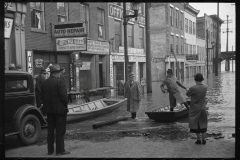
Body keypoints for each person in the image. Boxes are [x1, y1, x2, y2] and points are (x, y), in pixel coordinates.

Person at [41, 64, 70, 156]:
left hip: (49, 110)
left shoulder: (44, 83)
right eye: (60, 72)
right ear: (56, 73)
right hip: (60, 110)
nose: (61, 74)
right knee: (60, 131)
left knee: (50, 130)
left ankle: (50, 150)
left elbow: (42, 97)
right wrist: (65, 105)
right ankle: (60, 150)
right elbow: (64, 97)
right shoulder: (60, 82)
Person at [186, 73, 208, 145]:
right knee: (203, 123)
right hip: (203, 107)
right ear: (202, 79)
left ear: (195, 79)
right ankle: (204, 139)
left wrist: (187, 89)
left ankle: (198, 139)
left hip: (195, 108)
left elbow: (187, 94)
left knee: (196, 123)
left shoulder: (193, 88)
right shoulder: (205, 87)